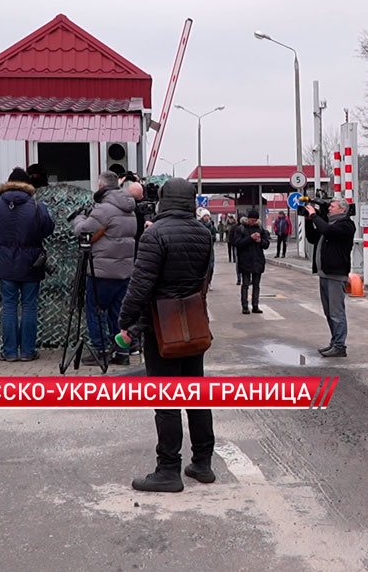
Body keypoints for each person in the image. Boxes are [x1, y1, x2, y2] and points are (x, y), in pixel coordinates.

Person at [118, 177, 215, 493]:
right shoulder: (204, 233)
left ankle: (168, 470)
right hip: (193, 323)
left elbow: (141, 284)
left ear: (163, 200)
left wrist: (126, 320)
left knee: (167, 399)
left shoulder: (155, 235)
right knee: (196, 395)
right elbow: (205, 278)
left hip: (162, 327)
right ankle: (202, 463)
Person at [0, 167, 54, 362]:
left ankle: (10, 352)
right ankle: (28, 352)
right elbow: (48, 229)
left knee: (9, 306)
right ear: (28, 186)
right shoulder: (39, 206)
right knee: (29, 305)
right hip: (32, 263)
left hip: (4, 263)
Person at [73, 171, 137, 366]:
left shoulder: (104, 210)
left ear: (101, 187)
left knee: (96, 311)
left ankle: (100, 351)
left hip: (102, 271)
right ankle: (122, 351)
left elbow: (83, 232)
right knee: (119, 313)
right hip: (124, 271)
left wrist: (79, 218)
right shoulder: (130, 209)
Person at [304, 199, 356, 358]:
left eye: (332, 207)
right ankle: (335, 342)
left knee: (336, 312)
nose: (329, 209)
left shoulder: (346, 225)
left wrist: (314, 216)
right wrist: (308, 221)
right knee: (328, 312)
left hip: (336, 274)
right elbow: (313, 237)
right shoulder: (328, 224)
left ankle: (340, 345)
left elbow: (327, 230)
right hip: (324, 273)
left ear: (342, 209)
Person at [235, 209, 270, 314]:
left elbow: (266, 244)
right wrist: (250, 238)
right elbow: (237, 243)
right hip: (245, 260)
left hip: (258, 260)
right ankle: (245, 306)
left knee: (256, 285)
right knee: (245, 284)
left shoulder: (260, 229)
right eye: (251, 220)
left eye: (255, 220)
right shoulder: (241, 229)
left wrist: (260, 241)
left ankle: (255, 305)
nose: (253, 222)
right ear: (248, 219)